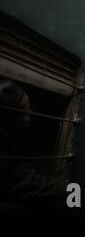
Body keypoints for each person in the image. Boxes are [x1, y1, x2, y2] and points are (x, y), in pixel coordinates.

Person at [0, 80, 68, 215]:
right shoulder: (5, 165)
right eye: (26, 112)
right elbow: (49, 190)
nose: (30, 114)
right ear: (12, 117)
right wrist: (80, 191)